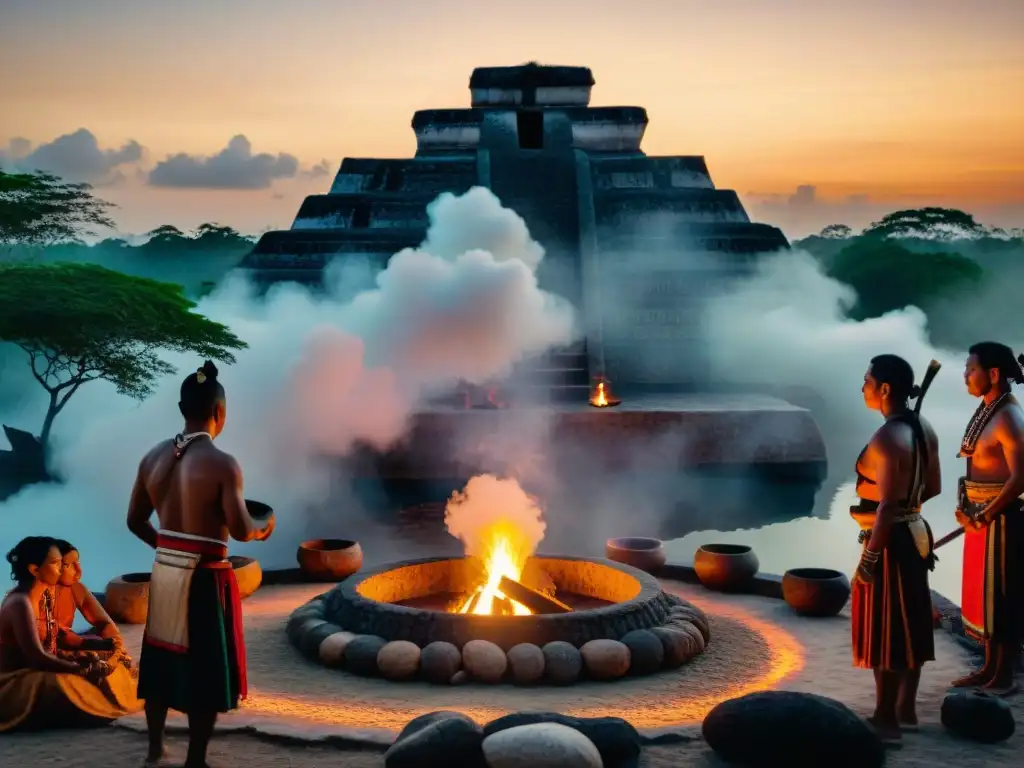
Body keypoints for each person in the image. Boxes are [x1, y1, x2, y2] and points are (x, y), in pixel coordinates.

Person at [129, 360, 274, 768]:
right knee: (206, 670)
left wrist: (170, 550)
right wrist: (266, 525)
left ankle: (156, 749)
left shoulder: (152, 457)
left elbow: (133, 520)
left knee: (159, 660)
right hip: (205, 580)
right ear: (219, 413)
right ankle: (195, 760)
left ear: (181, 408)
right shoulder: (223, 463)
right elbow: (243, 530)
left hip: (166, 570)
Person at [851, 354, 940, 744]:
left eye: (867, 380)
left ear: (885, 389)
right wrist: (905, 503)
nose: (863, 386)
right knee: (911, 622)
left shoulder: (888, 436)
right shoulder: (924, 428)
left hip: (888, 540)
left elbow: (886, 506)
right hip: (916, 533)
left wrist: (869, 559)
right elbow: (931, 487)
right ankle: (906, 709)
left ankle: (886, 718)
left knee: (886, 627)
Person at [0, 536, 142, 732]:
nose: (61, 570)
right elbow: (36, 656)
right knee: (64, 683)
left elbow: (60, 637)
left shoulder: (45, 596)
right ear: (34, 570)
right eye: (57, 564)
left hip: (41, 667)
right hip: (15, 679)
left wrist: (101, 649)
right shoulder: (20, 603)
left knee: (107, 665)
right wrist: (77, 669)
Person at [952, 341, 1024, 695]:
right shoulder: (989, 409)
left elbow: (1021, 477)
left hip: (1002, 518)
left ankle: (1004, 676)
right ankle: (989, 669)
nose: (965, 375)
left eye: (971, 369)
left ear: (993, 374)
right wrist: (969, 509)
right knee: (985, 596)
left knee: (1002, 596)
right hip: (980, 516)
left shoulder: (1009, 416)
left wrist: (987, 514)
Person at [52, 539, 135, 674]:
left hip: (71, 645)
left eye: (77, 562)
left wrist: (115, 645)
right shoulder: (35, 594)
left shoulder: (76, 589)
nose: (78, 570)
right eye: (69, 565)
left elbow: (105, 624)